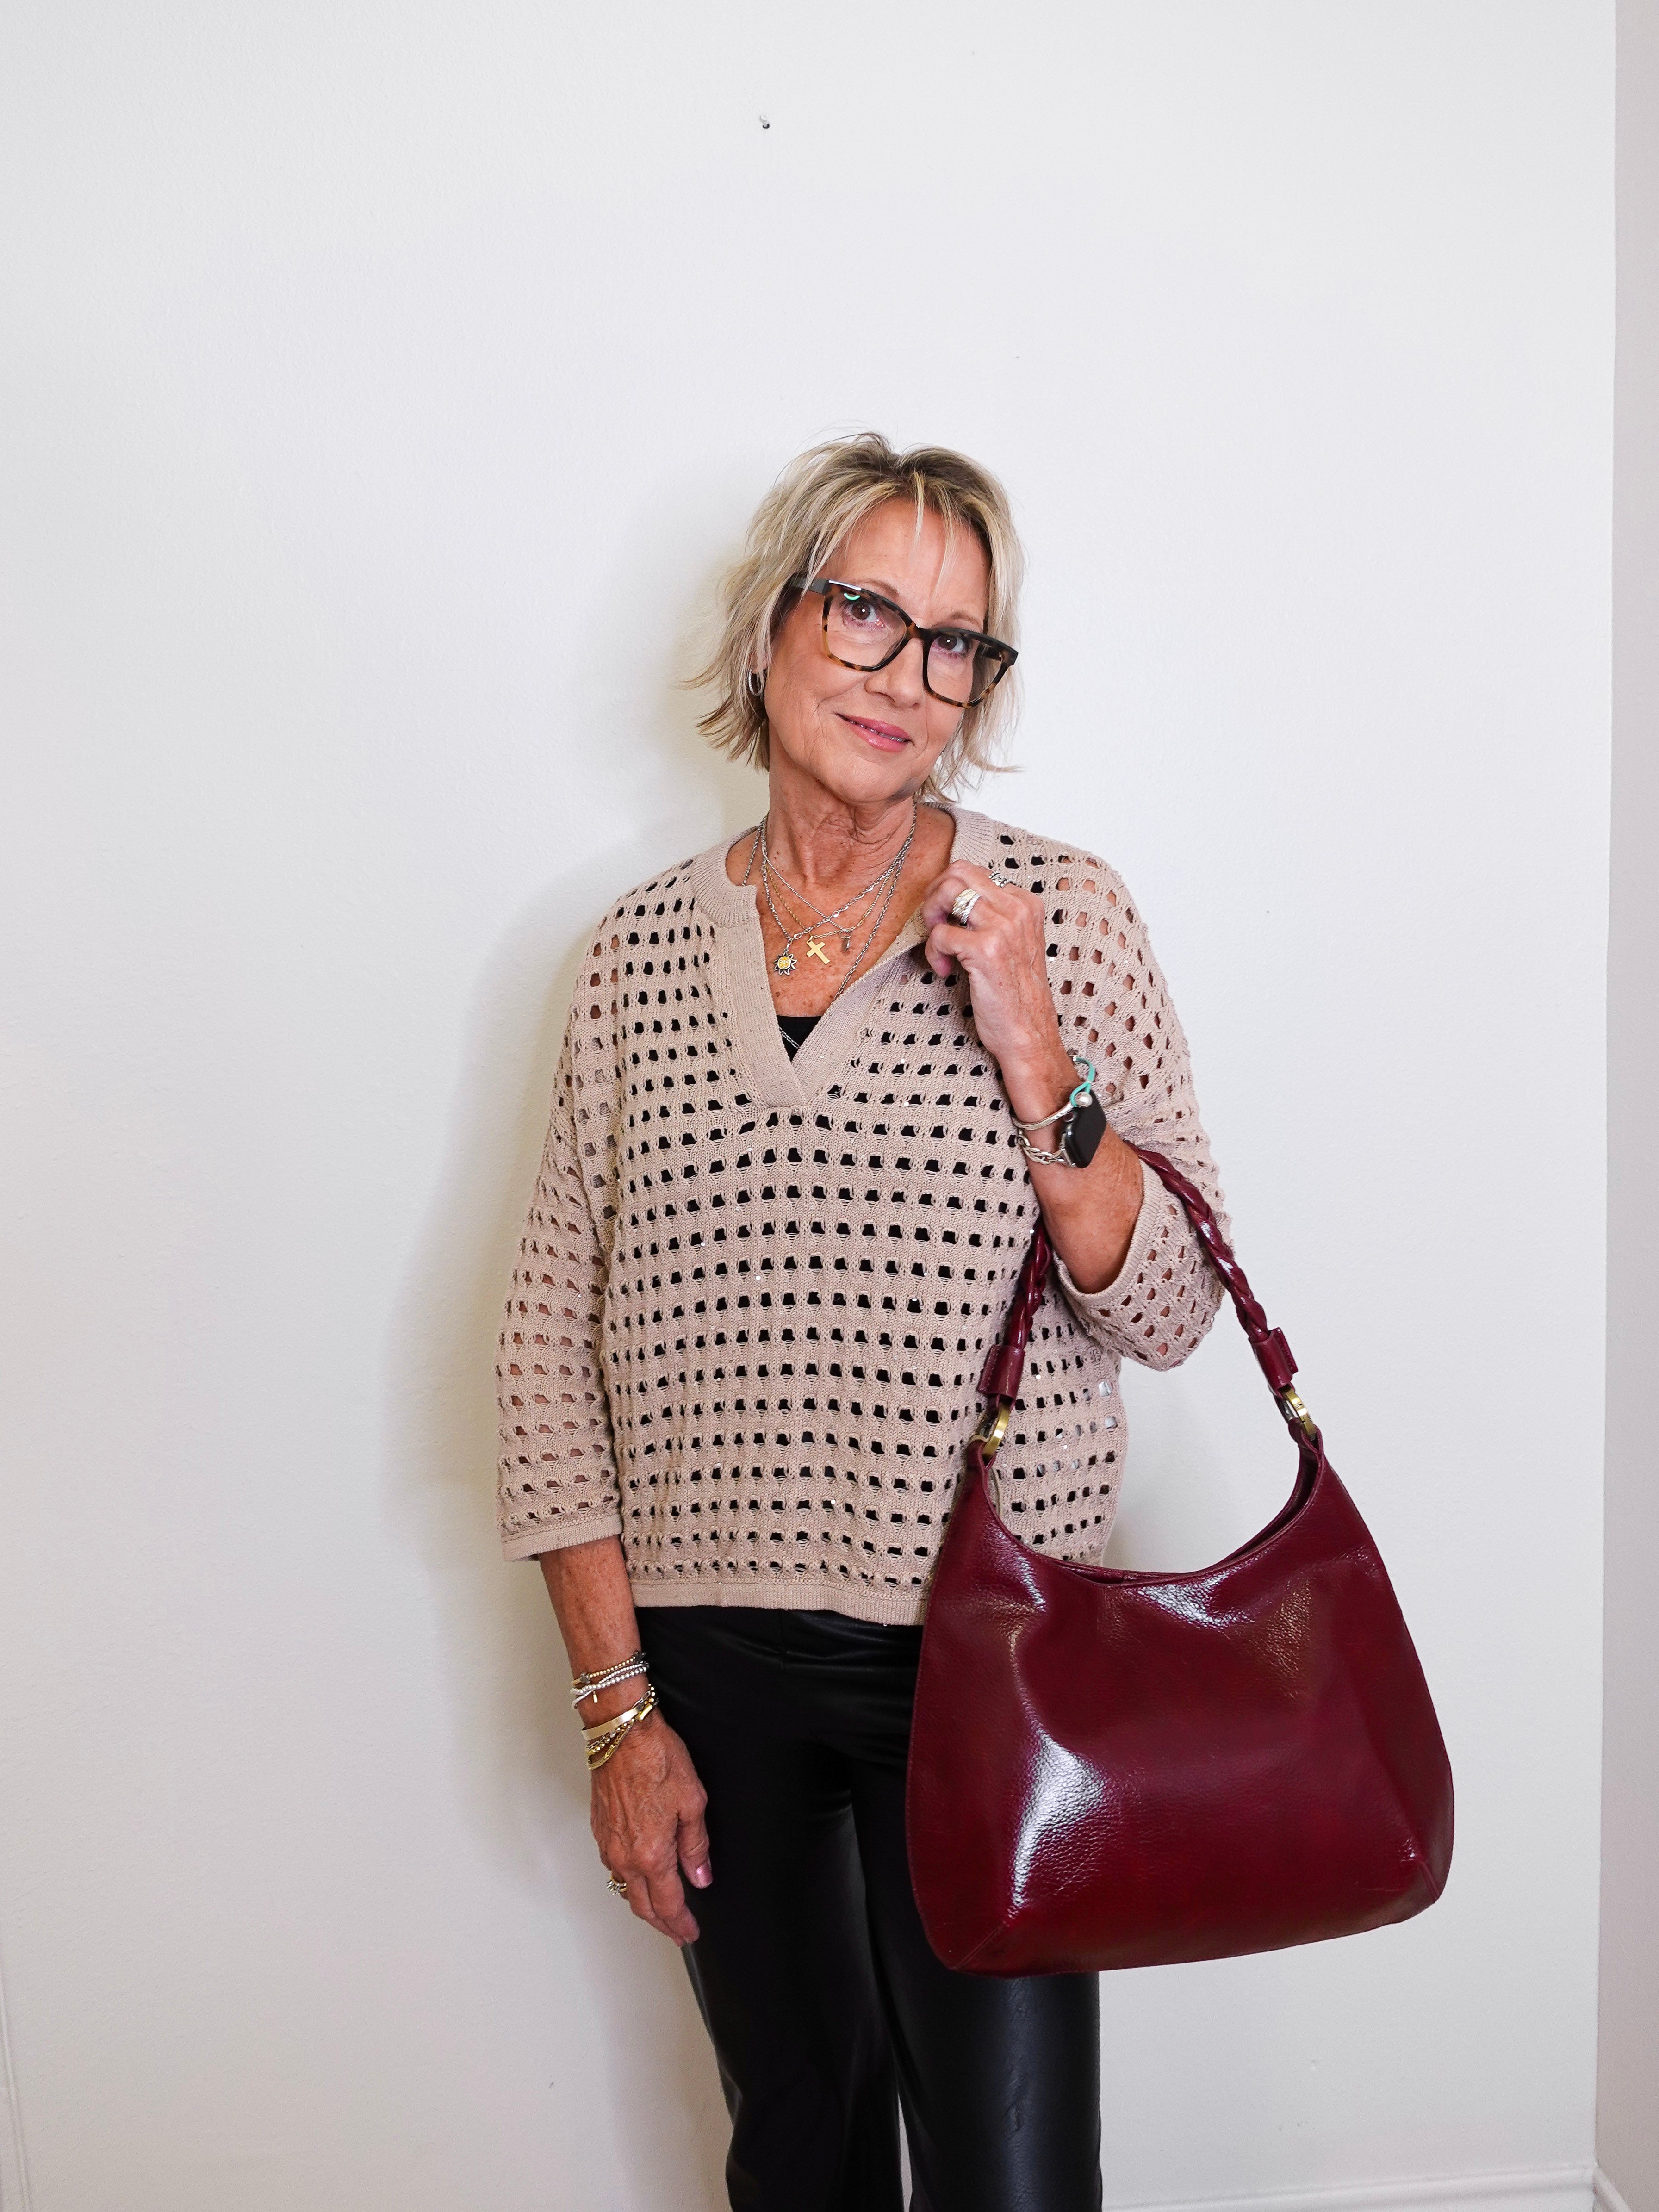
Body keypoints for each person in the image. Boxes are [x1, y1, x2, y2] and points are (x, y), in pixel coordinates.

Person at [497, 433, 1228, 2212]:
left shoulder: (1062, 918)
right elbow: (542, 1356)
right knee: (799, 2154)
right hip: (710, 1673)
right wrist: (618, 1717)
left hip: (994, 1664)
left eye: (957, 642)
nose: (908, 677)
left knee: (1012, 2177)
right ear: (771, 631)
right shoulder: (630, 961)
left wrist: (1039, 1044)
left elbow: (1177, 1306)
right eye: (867, 612)